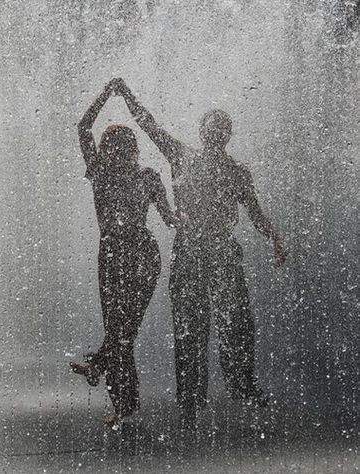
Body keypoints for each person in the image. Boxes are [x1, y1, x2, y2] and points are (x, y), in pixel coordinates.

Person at [113, 78, 287, 428]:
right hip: (190, 252)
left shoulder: (237, 172)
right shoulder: (181, 155)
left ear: (228, 135)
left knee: (237, 322)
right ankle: (191, 399)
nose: (217, 129)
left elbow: (254, 212)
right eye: (212, 124)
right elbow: (148, 125)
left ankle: (243, 385)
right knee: (189, 327)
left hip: (222, 251)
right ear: (202, 130)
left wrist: (275, 237)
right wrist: (127, 94)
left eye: (223, 126)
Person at [70, 79, 179, 426]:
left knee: (122, 329)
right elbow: (171, 219)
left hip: (127, 255)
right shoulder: (126, 174)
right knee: (122, 331)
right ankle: (122, 404)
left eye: (119, 145)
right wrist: (120, 94)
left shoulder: (116, 174)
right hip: (132, 254)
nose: (114, 151)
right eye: (112, 146)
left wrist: (109, 93)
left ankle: (104, 374)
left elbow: (84, 126)